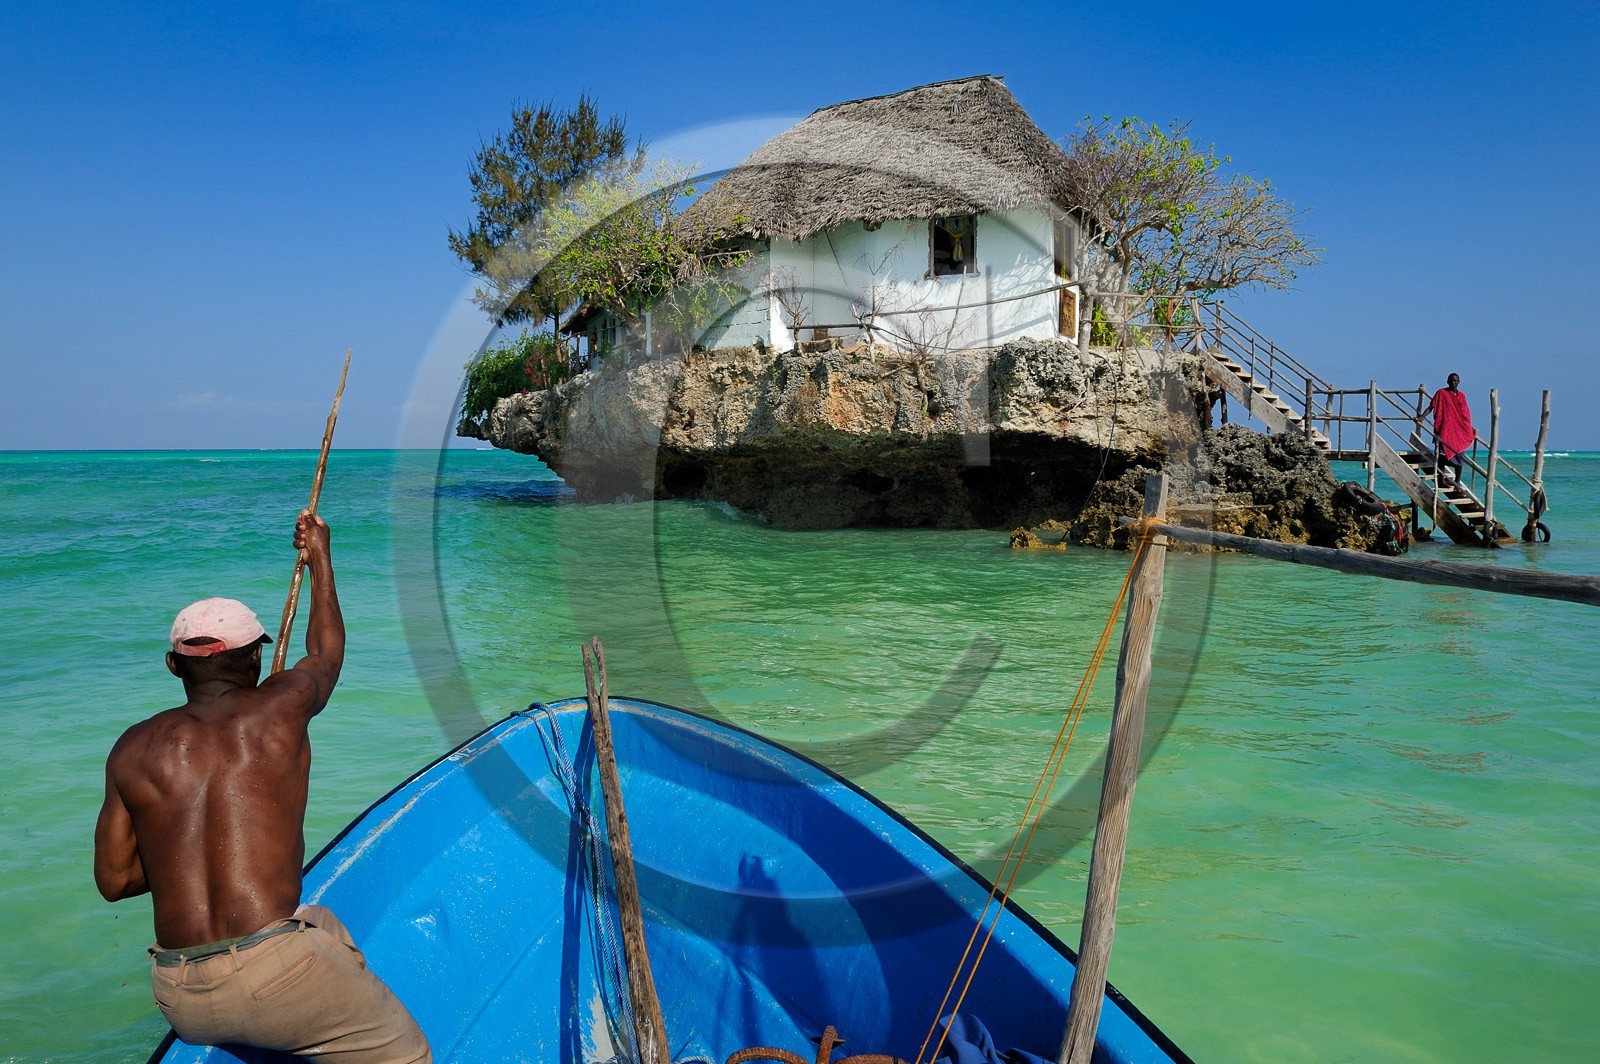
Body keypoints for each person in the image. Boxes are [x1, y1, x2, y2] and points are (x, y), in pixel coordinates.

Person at [94, 510, 430, 1063]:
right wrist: (320, 555)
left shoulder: (131, 748)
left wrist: (186, 858)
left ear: (173, 666)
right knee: (411, 1054)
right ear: (255, 657)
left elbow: (115, 881)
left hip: (178, 994)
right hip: (270, 974)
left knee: (325, 926)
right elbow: (325, 654)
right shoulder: (282, 707)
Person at [1428, 372, 1474, 486]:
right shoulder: (1441, 393)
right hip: (1445, 430)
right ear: (1447, 382)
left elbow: (1465, 414)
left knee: (1459, 456)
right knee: (1441, 456)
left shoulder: (1462, 396)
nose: (1453, 383)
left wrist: (1469, 428)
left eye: (1455, 381)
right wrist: (1421, 417)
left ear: (1458, 382)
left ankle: (1457, 481)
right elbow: (1431, 406)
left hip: (1459, 431)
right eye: (1451, 380)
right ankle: (1441, 481)